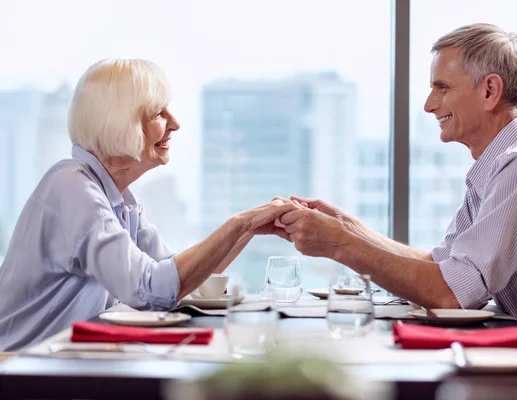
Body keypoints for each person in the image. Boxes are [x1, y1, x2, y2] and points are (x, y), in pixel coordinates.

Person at [276, 24, 517, 358]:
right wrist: (347, 226)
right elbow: (441, 266)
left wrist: (338, 244)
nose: (430, 105)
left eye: (442, 88)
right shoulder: (503, 162)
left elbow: (449, 294)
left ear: (490, 91)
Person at [0, 59, 298, 351]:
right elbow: (151, 291)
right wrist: (240, 223)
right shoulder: (71, 186)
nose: (176, 124)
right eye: (159, 112)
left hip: (56, 360)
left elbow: (182, 281)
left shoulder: (118, 198)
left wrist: (249, 229)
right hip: (17, 367)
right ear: (119, 121)